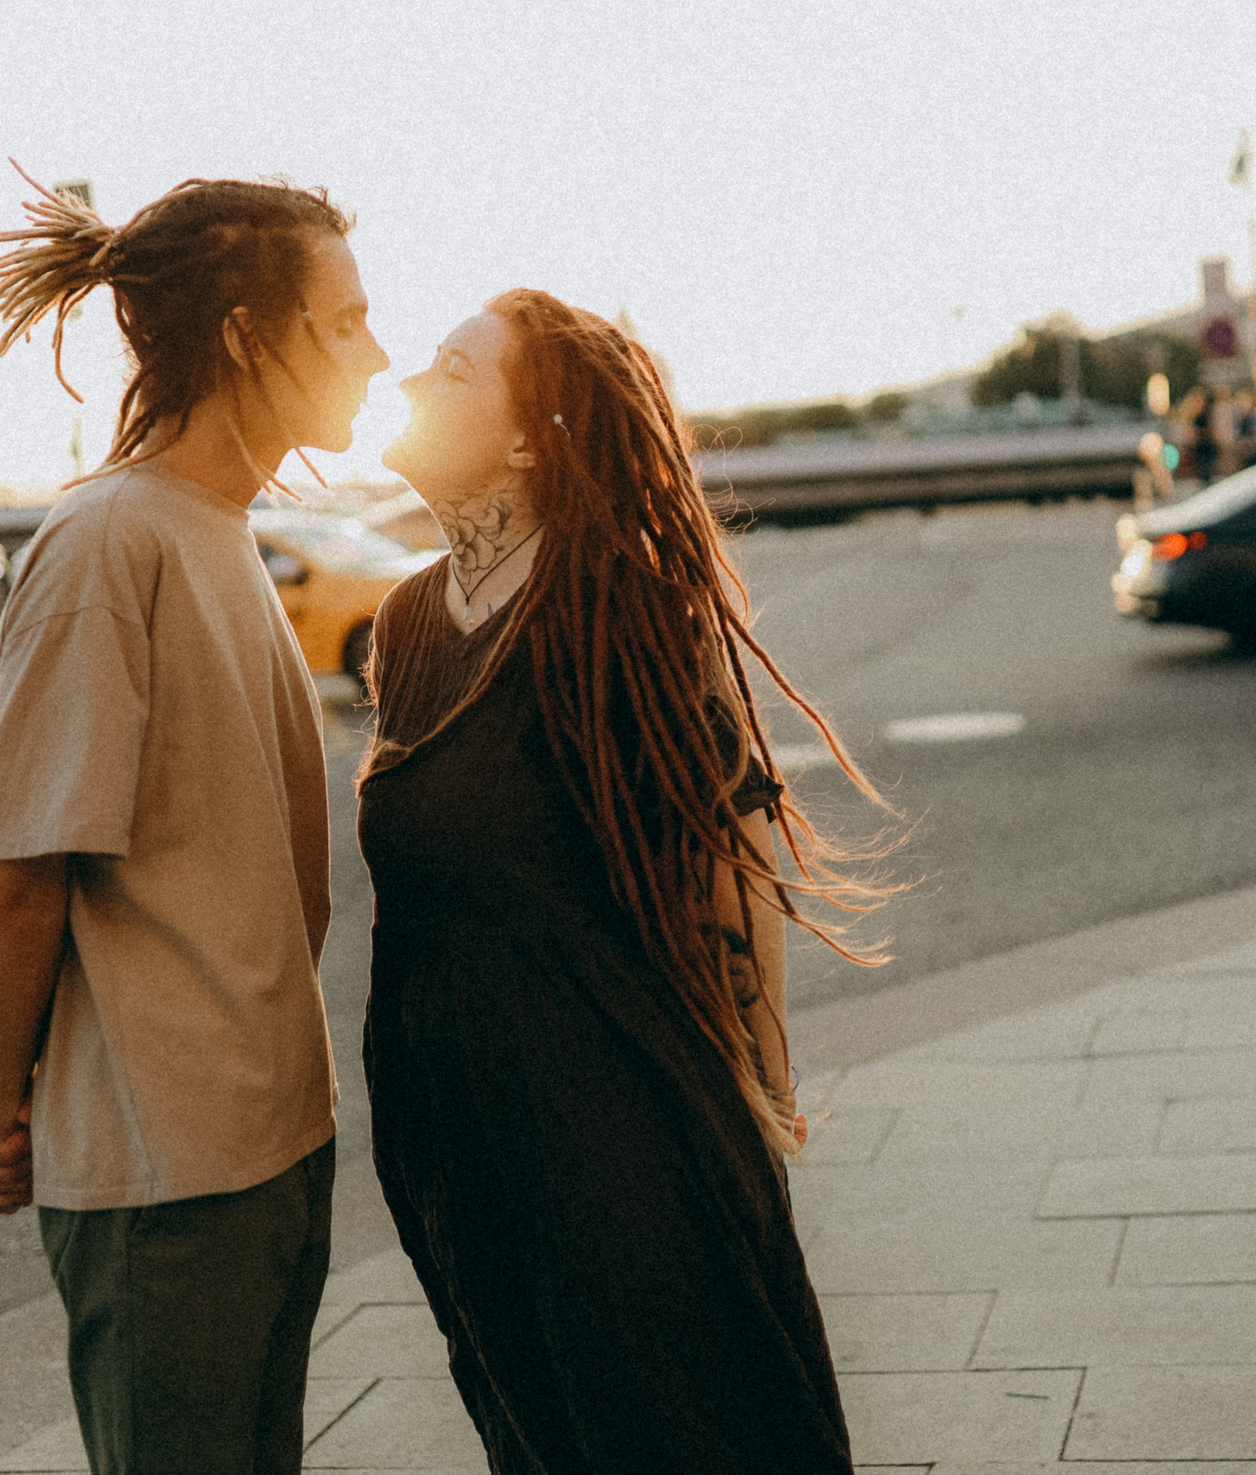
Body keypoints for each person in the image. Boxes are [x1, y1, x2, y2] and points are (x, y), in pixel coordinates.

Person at [358, 289, 891, 1474]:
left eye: (452, 371)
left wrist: (762, 1091)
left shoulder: (621, 608)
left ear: (524, 441)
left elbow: (731, 863)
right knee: (536, 1431)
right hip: (456, 1127)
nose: (406, 381)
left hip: (608, 1118)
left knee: (673, 1430)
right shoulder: (405, 621)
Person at [0, 171, 387, 1475]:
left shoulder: (217, 528)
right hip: (166, 1180)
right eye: (346, 321)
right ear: (248, 336)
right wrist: (3, 1119)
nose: (377, 354)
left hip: (264, 1147)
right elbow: (8, 883)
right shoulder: (106, 542)